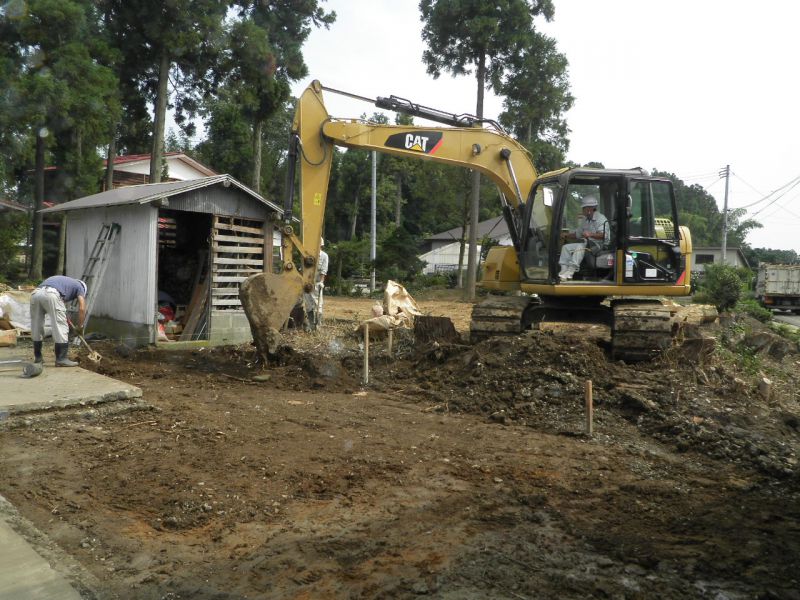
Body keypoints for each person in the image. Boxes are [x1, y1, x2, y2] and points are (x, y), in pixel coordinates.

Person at [29, 275, 87, 367]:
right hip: (51, 294)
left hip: (35, 294)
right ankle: (61, 359)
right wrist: (80, 327)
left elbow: (60, 302)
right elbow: (82, 309)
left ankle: (38, 358)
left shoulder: (64, 282)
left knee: (36, 325)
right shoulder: (80, 287)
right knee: (60, 326)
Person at [558, 195, 608, 281]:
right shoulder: (585, 219)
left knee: (580, 247)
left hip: (599, 245)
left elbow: (604, 235)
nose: (582, 210)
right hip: (587, 244)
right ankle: (563, 270)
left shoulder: (601, 219)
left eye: (583, 208)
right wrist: (566, 235)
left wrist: (590, 234)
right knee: (565, 247)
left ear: (590, 209)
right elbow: (578, 234)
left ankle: (571, 271)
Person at [303, 238, 329, 330]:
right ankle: (310, 325)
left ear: (320, 245)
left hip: (317, 284)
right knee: (308, 305)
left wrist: (321, 282)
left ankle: (318, 325)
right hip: (307, 284)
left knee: (318, 304)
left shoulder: (324, 256)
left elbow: (323, 271)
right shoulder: (307, 255)